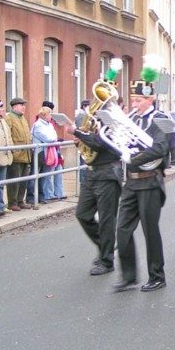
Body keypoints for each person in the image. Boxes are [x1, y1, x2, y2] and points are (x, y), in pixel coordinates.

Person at [113, 77, 170, 293]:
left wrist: (133, 158)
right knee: (122, 229)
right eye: (133, 100)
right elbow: (122, 142)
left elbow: (160, 149)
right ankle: (129, 276)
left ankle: (157, 275)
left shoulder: (160, 119)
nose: (134, 104)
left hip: (150, 182)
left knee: (150, 231)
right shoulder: (132, 120)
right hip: (131, 182)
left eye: (138, 100)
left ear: (150, 99)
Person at [65, 106, 123, 276]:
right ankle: (106, 245)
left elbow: (99, 143)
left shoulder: (114, 122)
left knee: (106, 219)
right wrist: (80, 142)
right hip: (92, 174)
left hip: (108, 174)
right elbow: (90, 146)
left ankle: (107, 261)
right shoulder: (94, 122)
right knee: (82, 214)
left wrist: (77, 133)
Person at [5, 97, 32, 211]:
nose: (24, 107)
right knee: (14, 180)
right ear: (14, 106)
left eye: (24, 105)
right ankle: (12, 202)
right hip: (16, 155)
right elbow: (8, 135)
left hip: (26, 154)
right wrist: (12, 150)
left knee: (23, 180)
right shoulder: (9, 118)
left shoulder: (23, 119)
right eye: (21, 105)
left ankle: (21, 200)